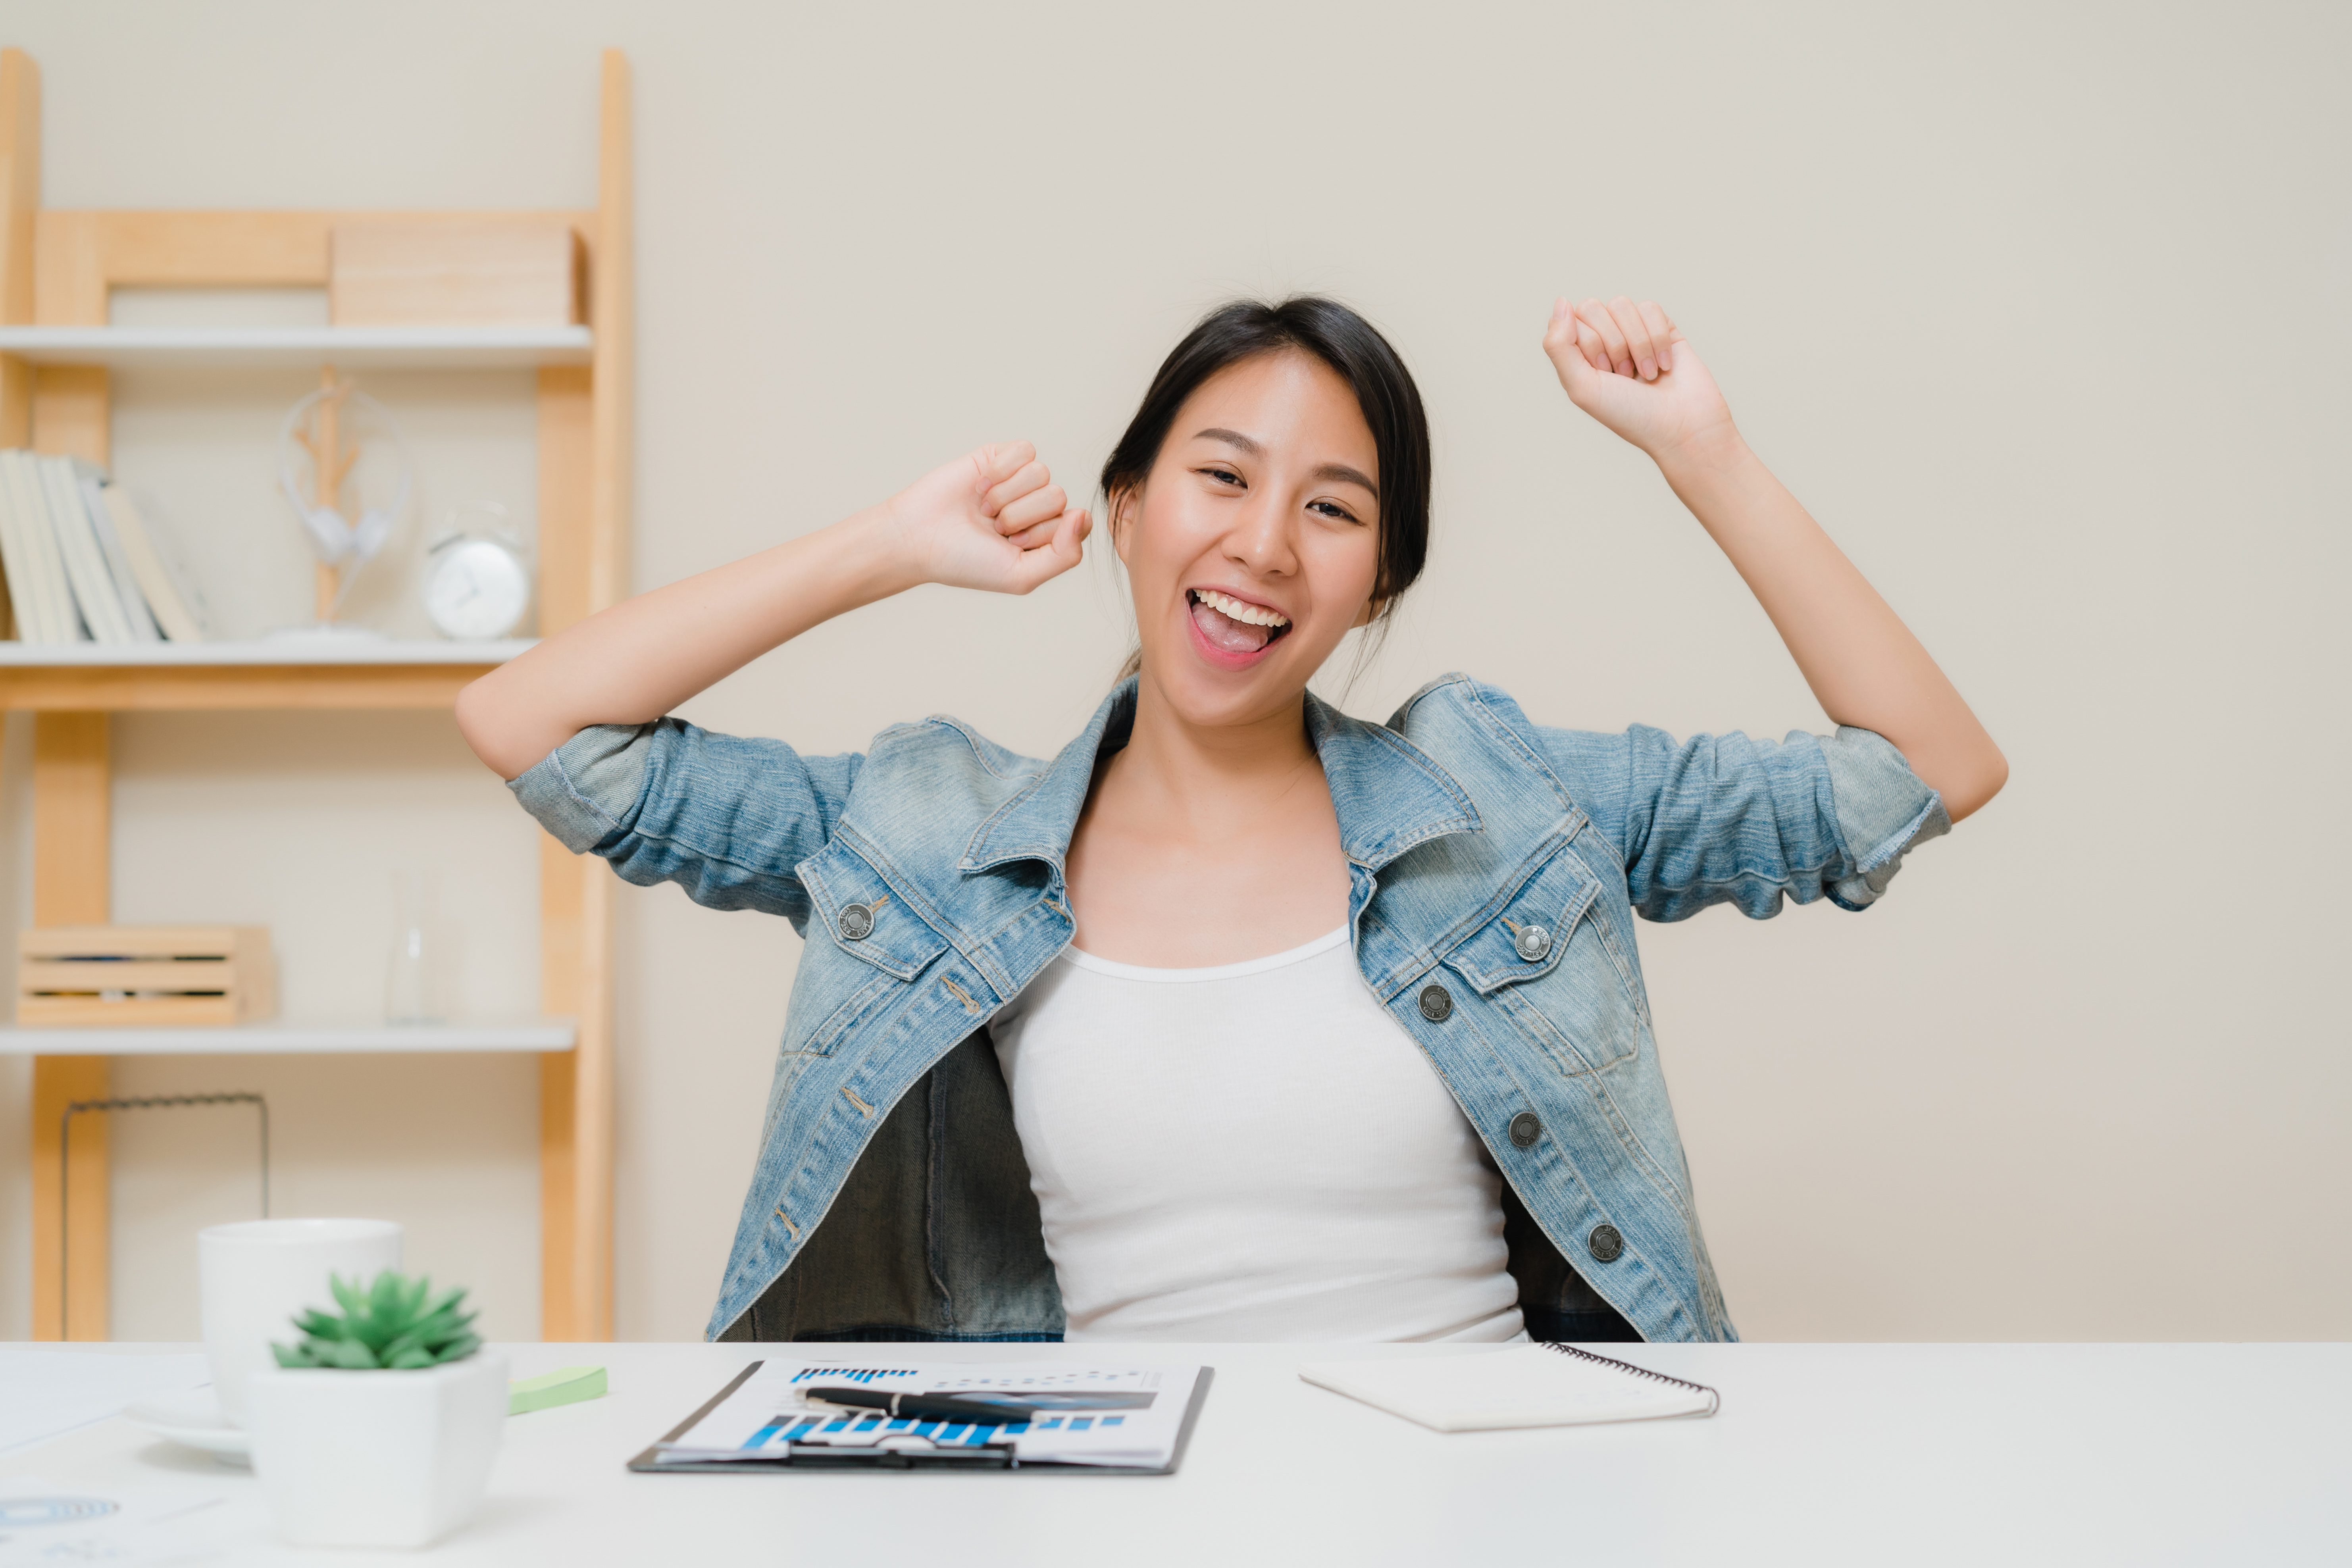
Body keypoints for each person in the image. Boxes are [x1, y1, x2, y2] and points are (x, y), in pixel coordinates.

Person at [456, 294, 2006, 1345]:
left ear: (1377, 582)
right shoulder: (930, 836)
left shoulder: (1506, 798)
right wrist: (889, 545)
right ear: (1128, 507)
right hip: (1129, 1509)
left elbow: (1925, 767)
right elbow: (535, 732)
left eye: (1332, 508)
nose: (1264, 546)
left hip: (1507, 1503)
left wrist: (1701, 451)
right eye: (1221, 477)